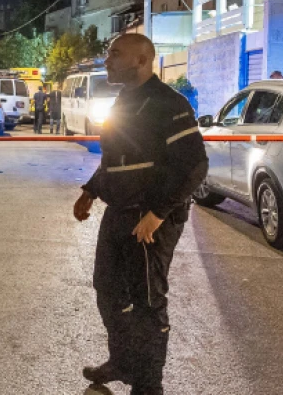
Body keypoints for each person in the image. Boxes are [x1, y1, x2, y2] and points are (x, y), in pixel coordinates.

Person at [73, 34, 208, 395]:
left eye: (115, 54)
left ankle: (149, 386)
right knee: (108, 291)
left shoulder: (169, 103)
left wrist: (158, 213)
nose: (107, 60)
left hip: (149, 221)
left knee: (148, 302)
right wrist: (91, 189)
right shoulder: (122, 101)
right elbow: (116, 159)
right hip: (118, 212)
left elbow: (194, 164)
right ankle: (123, 362)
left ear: (141, 60)